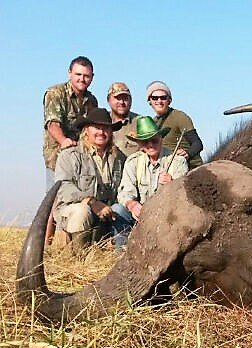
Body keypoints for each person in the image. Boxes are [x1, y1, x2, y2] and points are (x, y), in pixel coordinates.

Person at [54, 108, 130, 250]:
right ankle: (80, 258)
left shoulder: (119, 158)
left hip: (107, 215)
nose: (101, 132)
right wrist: (91, 202)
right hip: (75, 211)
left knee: (120, 209)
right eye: (96, 127)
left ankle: (120, 253)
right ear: (86, 130)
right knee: (81, 211)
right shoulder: (69, 155)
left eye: (106, 128)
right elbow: (64, 187)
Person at [113, 116, 188, 248]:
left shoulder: (177, 161)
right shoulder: (133, 161)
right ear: (140, 143)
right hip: (139, 217)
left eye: (154, 140)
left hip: (166, 217)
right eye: (145, 141)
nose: (150, 145)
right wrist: (132, 205)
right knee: (117, 210)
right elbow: (124, 193)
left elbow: (184, 196)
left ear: (161, 139)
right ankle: (122, 250)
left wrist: (172, 184)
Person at [43, 56, 98, 187]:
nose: (82, 79)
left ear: (92, 77)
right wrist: (63, 141)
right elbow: (52, 123)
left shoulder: (92, 100)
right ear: (69, 73)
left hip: (83, 159)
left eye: (86, 76)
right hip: (58, 157)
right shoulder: (55, 93)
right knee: (56, 198)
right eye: (78, 74)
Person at [146, 80, 204, 169]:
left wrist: (187, 153)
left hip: (189, 168)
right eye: (155, 98)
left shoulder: (179, 117)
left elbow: (197, 144)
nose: (159, 101)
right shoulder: (152, 123)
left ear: (169, 100)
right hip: (166, 168)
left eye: (163, 98)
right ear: (149, 101)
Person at [107, 82, 140, 156]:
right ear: (108, 100)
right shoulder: (101, 122)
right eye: (117, 98)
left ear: (131, 101)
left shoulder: (140, 122)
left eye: (125, 99)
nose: (122, 102)